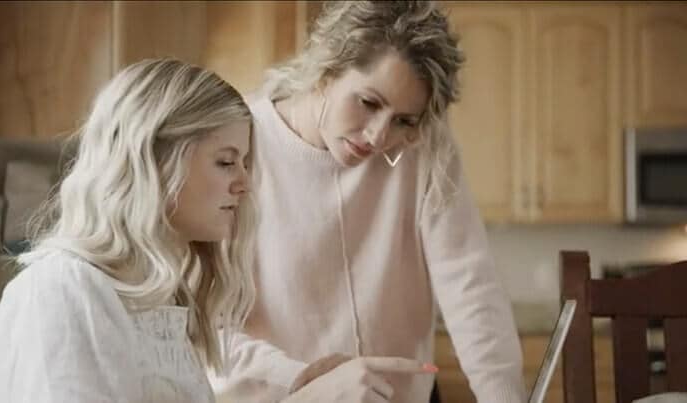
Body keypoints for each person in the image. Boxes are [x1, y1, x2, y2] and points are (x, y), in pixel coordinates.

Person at [0, 58, 436, 403]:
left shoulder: (160, 301)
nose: (244, 182)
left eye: (245, 163)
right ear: (155, 160)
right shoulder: (61, 291)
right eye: (225, 162)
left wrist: (301, 384)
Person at [211, 1, 527, 402]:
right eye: (369, 102)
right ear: (326, 72)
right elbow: (208, 330)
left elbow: (470, 285)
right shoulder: (240, 145)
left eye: (403, 119)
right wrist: (309, 380)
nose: (379, 136)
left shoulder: (423, 146)